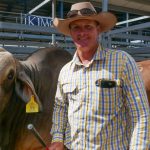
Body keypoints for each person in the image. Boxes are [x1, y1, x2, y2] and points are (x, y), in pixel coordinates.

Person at [48, 2, 150, 150]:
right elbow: (61, 107)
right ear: (70, 32)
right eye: (76, 27)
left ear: (98, 29)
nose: (82, 33)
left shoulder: (122, 61)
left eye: (88, 27)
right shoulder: (65, 71)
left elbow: (140, 114)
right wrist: (57, 138)